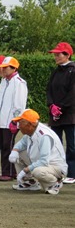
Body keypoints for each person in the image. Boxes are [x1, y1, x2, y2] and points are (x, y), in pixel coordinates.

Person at [9, 109, 67, 195]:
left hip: (56, 167)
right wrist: (14, 151)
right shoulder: (31, 132)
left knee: (37, 172)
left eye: (21, 122)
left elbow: (44, 161)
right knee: (19, 153)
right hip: (44, 163)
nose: (19, 126)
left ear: (30, 124)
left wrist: (25, 170)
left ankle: (55, 183)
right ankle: (30, 183)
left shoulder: (44, 136)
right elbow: (21, 143)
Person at [46, 42, 75, 185]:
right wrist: (51, 105)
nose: (56, 57)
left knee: (71, 145)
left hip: (70, 114)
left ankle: (72, 172)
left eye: (59, 54)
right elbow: (49, 90)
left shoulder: (73, 70)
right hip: (55, 114)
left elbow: (72, 93)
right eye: (55, 54)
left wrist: (61, 107)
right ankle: (58, 171)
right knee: (55, 144)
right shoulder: (56, 71)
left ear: (67, 55)